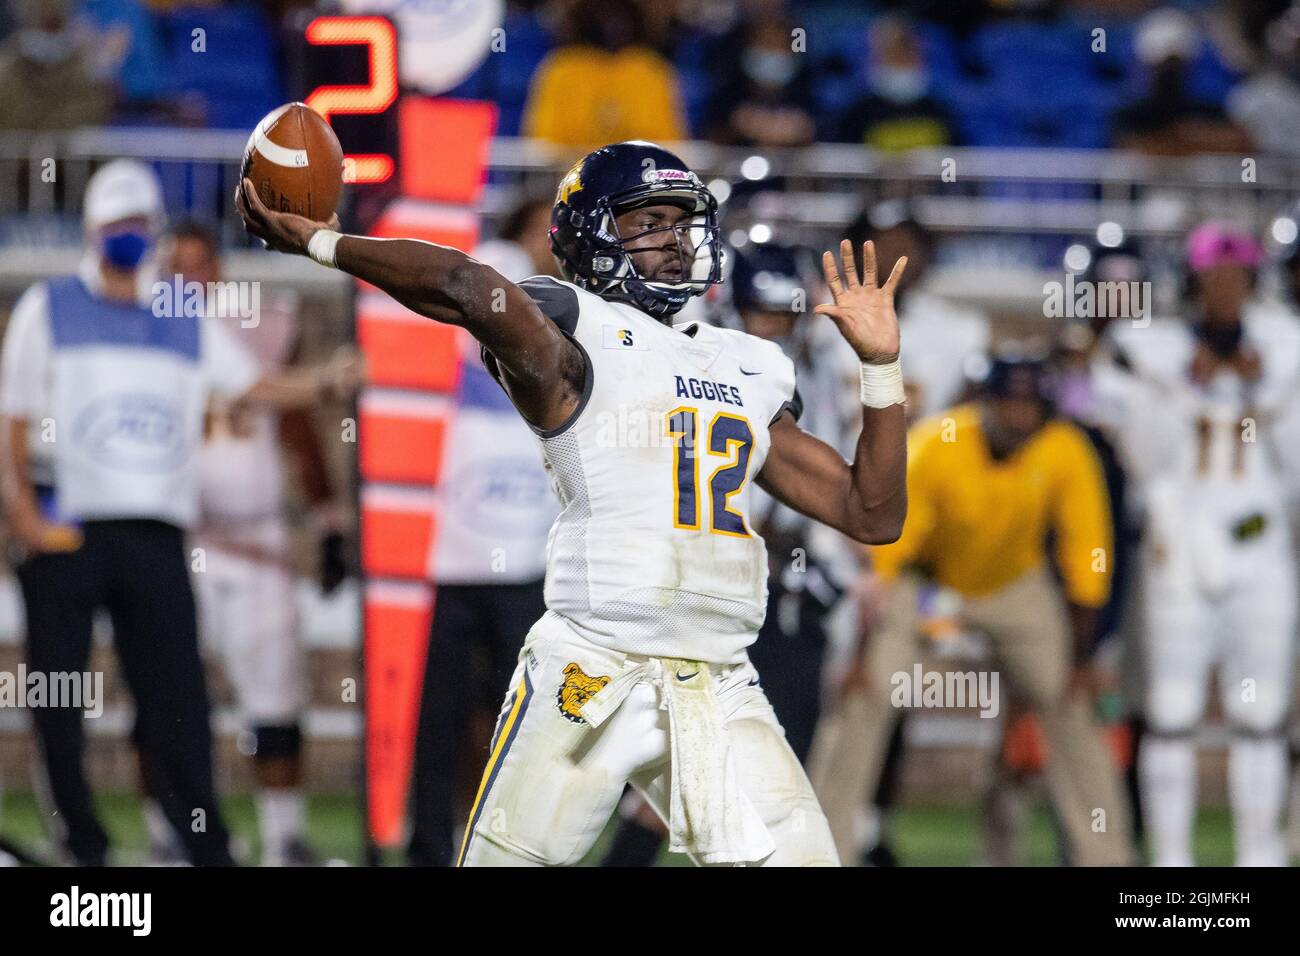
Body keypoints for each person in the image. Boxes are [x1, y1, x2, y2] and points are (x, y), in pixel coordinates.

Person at [237, 139, 910, 867]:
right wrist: (328, 242)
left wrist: (880, 369)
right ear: (592, 234)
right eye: (647, 220)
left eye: (681, 222)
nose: (675, 240)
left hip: (717, 676)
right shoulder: (574, 329)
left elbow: (871, 513)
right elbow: (466, 286)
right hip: (594, 667)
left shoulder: (745, 366)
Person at [0, 159, 358, 866]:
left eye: (138, 225)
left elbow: (254, 385)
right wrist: (24, 520)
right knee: (60, 698)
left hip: (158, 532)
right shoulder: (50, 307)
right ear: (93, 230)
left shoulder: (181, 314)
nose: (127, 237)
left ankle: (201, 839)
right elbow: (12, 423)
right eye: (116, 226)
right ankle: (80, 841)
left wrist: (327, 380)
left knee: (177, 699)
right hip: (68, 524)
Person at [807, 350, 1134, 867]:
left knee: (1071, 703)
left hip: (1013, 586)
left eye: (1029, 406)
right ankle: (823, 853)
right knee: (866, 694)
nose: (1018, 417)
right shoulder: (940, 442)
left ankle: (1106, 859)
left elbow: (1087, 560)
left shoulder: (1065, 449)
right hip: (930, 584)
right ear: (987, 402)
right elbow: (889, 556)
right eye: (1009, 404)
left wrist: (1081, 660)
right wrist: (862, 653)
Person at [599, 241, 864, 865]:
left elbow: (835, 480)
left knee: (779, 757)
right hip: (708, 579)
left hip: (794, 584)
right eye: (760, 311)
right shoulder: (706, 358)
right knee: (677, 765)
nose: (773, 325)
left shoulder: (812, 369)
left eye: (782, 312)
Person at [1095, 222, 1300, 866]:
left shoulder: (1287, 348)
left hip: (1260, 547)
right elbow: (1143, 459)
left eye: (1238, 279)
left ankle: (1259, 860)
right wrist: (1185, 386)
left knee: (1262, 714)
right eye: (1214, 278)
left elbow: (1294, 467)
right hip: (1177, 550)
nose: (1225, 293)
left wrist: (1260, 391)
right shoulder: (1144, 349)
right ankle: (1172, 867)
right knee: (1172, 712)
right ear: (1188, 283)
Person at [154, 220, 345, 867]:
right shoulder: (142, 334)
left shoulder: (257, 326)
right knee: (169, 699)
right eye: (174, 267)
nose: (188, 279)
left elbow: (293, 425)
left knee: (275, 699)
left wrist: (327, 518)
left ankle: (282, 838)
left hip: (258, 540)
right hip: (175, 542)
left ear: (219, 270)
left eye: (197, 265)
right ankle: (168, 836)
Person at [407, 198, 560, 867]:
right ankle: (428, 848)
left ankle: (513, 848)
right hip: (446, 572)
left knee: (524, 726)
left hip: (526, 576)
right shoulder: (438, 381)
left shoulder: (553, 376)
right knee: (436, 725)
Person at [522, 0, 686, 150]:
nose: (613, 24)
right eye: (602, 11)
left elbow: (667, 144)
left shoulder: (651, 70)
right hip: (572, 177)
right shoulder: (562, 69)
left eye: (621, 13)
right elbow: (545, 144)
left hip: (638, 177)